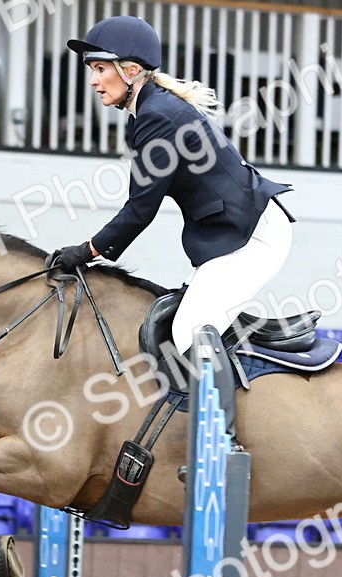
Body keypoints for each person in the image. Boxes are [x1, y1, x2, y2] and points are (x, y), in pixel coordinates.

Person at [54, 15, 294, 443]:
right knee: (180, 325)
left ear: (130, 71)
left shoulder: (158, 116)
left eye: (99, 68)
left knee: (189, 331)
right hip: (235, 236)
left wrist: (86, 250)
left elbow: (140, 210)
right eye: (92, 70)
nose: (93, 81)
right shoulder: (149, 110)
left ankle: (222, 443)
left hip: (251, 236)